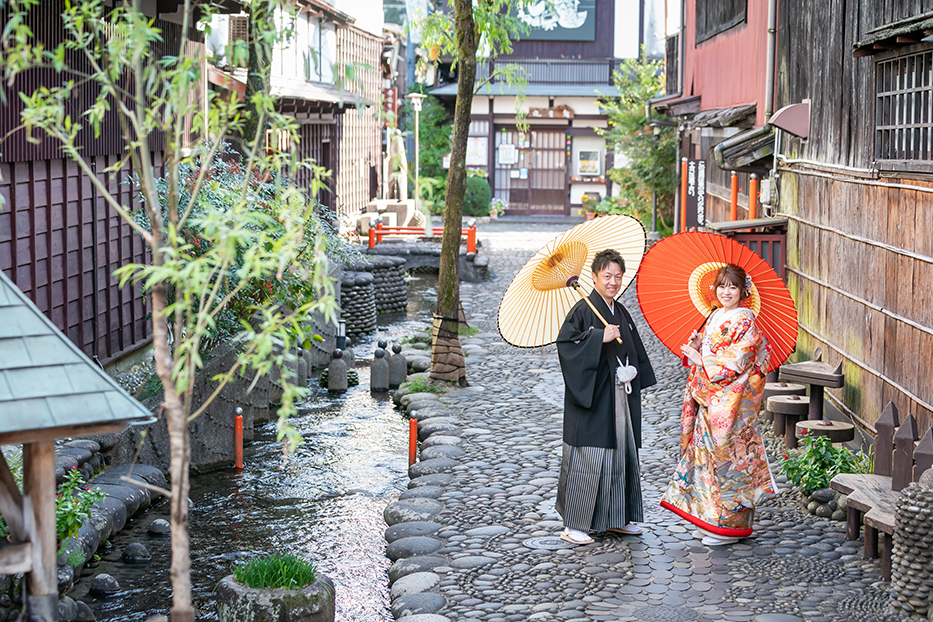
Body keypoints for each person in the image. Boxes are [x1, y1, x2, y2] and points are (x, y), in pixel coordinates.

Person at [660, 264, 775, 546]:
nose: (726, 292)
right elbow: (715, 351)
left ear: (743, 291)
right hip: (710, 400)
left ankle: (729, 526)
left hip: (731, 406)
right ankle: (710, 518)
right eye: (721, 286)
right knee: (705, 462)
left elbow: (739, 361)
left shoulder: (746, 320)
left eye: (732, 287)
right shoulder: (715, 316)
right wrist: (700, 345)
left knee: (728, 462)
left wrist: (704, 362)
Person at [555, 249, 657, 545]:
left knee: (619, 455)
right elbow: (566, 344)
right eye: (607, 276)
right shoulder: (583, 310)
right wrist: (599, 337)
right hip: (593, 396)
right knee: (589, 456)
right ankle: (574, 524)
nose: (613, 282)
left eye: (618, 276)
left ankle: (616, 519)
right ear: (594, 277)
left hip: (619, 396)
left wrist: (633, 371)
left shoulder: (620, 310)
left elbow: (633, 347)